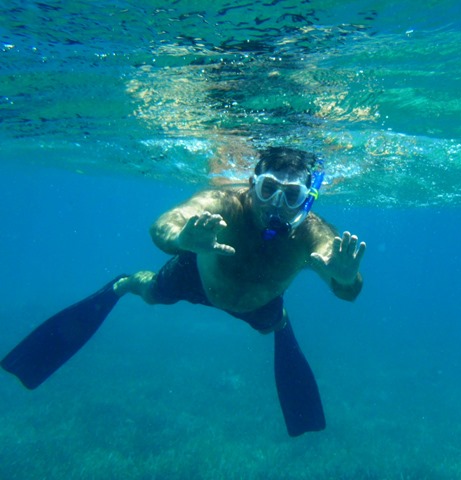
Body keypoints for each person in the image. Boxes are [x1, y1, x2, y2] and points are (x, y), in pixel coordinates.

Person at [1, 147, 366, 437]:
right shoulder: (225, 203)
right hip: (197, 273)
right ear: (252, 183)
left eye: (291, 196)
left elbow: (347, 290)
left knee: (271, 323)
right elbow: (163, 225)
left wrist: (347, 279)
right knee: (151, 293)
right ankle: (125, 284)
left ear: (307, 199)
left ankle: (278, 320)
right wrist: (182, 238)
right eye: (268, 189)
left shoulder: (311, 233)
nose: (276, 205)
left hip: (259, 301)